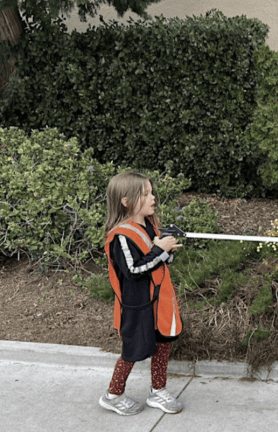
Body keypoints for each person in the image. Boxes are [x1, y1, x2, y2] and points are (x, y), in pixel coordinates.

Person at [99, 172, 185, 416]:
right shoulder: (121, 236)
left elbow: (158, 261)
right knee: (133, 350)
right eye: (145, 194)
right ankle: (113, 395)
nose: (153, 198)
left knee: (163, 342)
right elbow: (133, 270)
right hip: (137, 306)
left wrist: (167, 250)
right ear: (126, 201)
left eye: (151, 192)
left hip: (158, 300)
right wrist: (159, 250)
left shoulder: (149, 224)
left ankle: (158, 392)